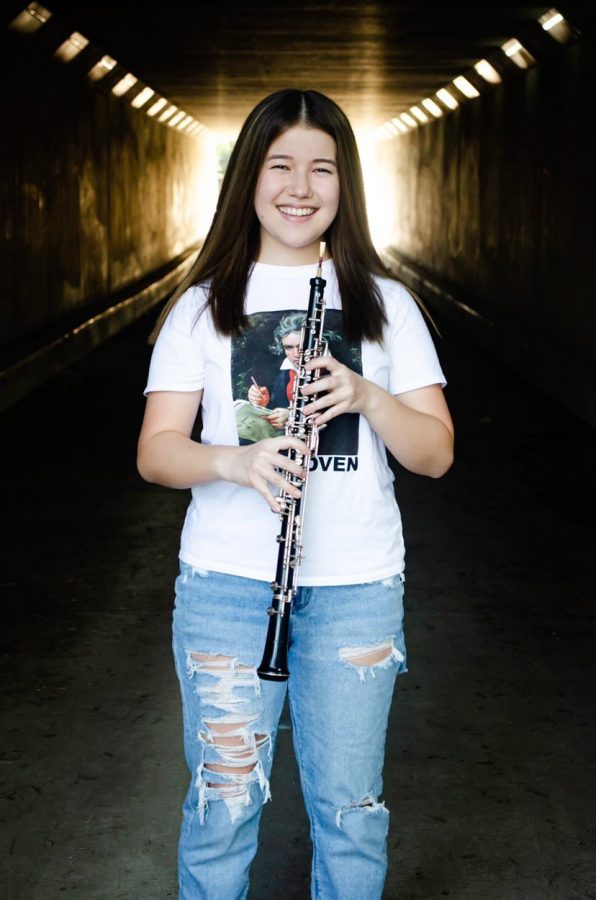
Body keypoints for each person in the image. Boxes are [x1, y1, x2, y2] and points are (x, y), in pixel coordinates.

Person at [137, 88, 454, 900]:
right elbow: (156, 452)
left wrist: (366, 398)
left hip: (355, 590)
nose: (300, 187)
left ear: (346, 185)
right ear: (248, 177)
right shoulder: (203, 306)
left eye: (322, 168)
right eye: (281, 165)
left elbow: (436, 454)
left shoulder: (388, 305)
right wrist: (236, 465)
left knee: (349, 812)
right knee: (222, 806)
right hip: (227, 587)